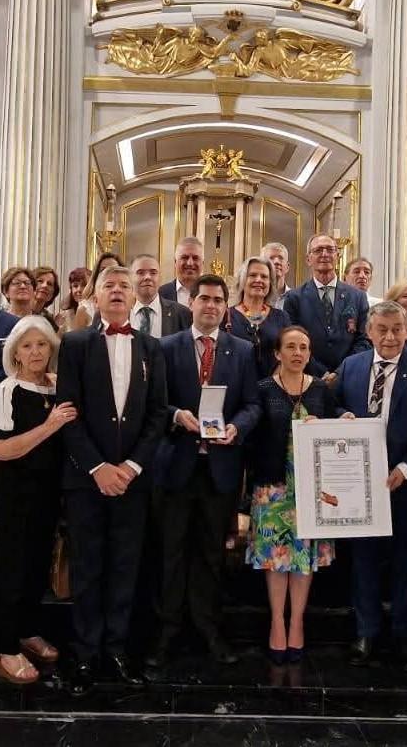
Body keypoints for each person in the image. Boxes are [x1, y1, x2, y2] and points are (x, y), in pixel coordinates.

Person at [56, 265, 168, 695]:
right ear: (95, 296)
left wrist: (132, 467)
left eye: (124, 286)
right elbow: (68, 410)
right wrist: (98, 468)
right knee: (87, 567)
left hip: (133, 482)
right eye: (110, 285)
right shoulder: (75, 343)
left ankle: (118, 649)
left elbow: (158, 413)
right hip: (87, 480)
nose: (118, 291)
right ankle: (85, 654)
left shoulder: (151, 348)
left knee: (125, 567)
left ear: (136, 296)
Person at [147, 274, 261, 668]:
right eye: (204, 299)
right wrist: (177, 415)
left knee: (212, 554)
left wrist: (237, 427)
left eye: (218, 300)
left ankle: (209, 630)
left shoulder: (243, 351)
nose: (211, 306)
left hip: (220, 469)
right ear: (190, 304)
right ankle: (165, 633)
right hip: (176, 466)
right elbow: (153, 403)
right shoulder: (166, 348)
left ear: (226, 307)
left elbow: (253, 404)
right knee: (171, 553)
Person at [333, 301, 407, 671]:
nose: (391, 336)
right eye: (383, 329)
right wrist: (341, 416)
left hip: (405, 485)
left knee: (405, 562)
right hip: (359, 486)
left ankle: (403, 636)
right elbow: (333, 407)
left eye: (398, 328)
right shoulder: (352, 366)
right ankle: (366, 632)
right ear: (369, 331)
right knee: (362, 561)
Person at [0, 315, 76, 684]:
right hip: (15, 493)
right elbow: (1, 449)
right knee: (12, 568)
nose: (36, 351)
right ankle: (4, 648)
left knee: (37, 566)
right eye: (27, 346)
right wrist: (49, 426)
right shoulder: (9, 389)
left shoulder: (57, 387)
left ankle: (27, 631)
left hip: (48, 492)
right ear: (15, 353)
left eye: (42, 345)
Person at [245, 326, 338, 661]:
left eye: (304, 347)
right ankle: (277, 622)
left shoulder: (321, 391)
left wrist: (341, 420)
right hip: (273, 488)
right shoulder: (263, 389)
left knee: (303, 559)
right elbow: (253, 433)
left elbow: (336, 416)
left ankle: (296, 621)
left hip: (311, 489)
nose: (298, 353)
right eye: (291, 347)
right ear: (277, 353)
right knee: (276, 559)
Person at [283, 233, 369, 378]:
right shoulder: (294, 298)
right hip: (307, 378)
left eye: (330, 250)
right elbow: (291, 341)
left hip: (349, 376)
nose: (324, 254)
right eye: (318, 250)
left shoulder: (357, 296)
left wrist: (340, 372)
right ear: (308, 259)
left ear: (338, 256)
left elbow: (364, 339)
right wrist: (321, 373)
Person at [227, 256, 290, 379]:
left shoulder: (281, 317)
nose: (259, 280)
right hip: (235, 388)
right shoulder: (226, 316)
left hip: (272, 389)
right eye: (252, 275)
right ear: (242, 280)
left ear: (270, 284)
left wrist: (272, 382)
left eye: (264, 277)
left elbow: (288, 351)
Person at [129, 254, 191, 338]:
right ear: (130, 278)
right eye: (141, 273)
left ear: (160, 277)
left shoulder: (181, 313)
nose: (147, 277)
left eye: (153, 273)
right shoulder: (121, 313)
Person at [70, 253, 125, 331]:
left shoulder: (128, 305)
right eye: (103, 270)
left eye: (114, 270)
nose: (108, 273)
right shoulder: (85, 309)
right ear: (97, 275)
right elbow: (77, 342)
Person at [159, 236, 204, 308]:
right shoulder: (160, 294)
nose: (190, 263)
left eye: (195, 258)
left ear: (202, 263)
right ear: (175, 262)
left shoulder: (213, 295)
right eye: (184, 257)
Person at [55, 267, 91, 334]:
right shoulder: (65, 316)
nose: (79, 290)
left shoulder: (99, 313)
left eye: (84, 285)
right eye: (75, 286)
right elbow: (57, 343)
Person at [260, 241, 291, 309]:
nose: (276, 261)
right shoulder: (255, 296)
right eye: (271, 258)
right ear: (262, 265)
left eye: (281, 258)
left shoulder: (297, 299)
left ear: (287, 266)